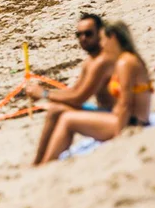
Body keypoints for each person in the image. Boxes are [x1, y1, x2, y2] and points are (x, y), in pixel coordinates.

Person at [37, 21, 153, 164]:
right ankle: (42, 162)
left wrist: (120, 137)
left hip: (133, 122)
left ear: (113, 38)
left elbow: (125, 104)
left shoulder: (125, 63)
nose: (102, 44)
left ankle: (46, 164)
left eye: (104, 39)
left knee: (67, 119)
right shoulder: (127, 59)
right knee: (61, 113)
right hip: (128, 118)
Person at [27, 13, 115, 164]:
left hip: (114, 116)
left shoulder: (102, 61)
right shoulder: (90, 61)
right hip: (104, 111)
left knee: (57, 112)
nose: (83, 38)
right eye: (79, 35)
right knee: (56, 109)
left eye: (88, 34)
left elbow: (79, 97)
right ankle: (38, 163)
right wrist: (48, 94)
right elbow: (74, 91)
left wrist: (44, 93)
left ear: (101, 33)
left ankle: (43, 164)